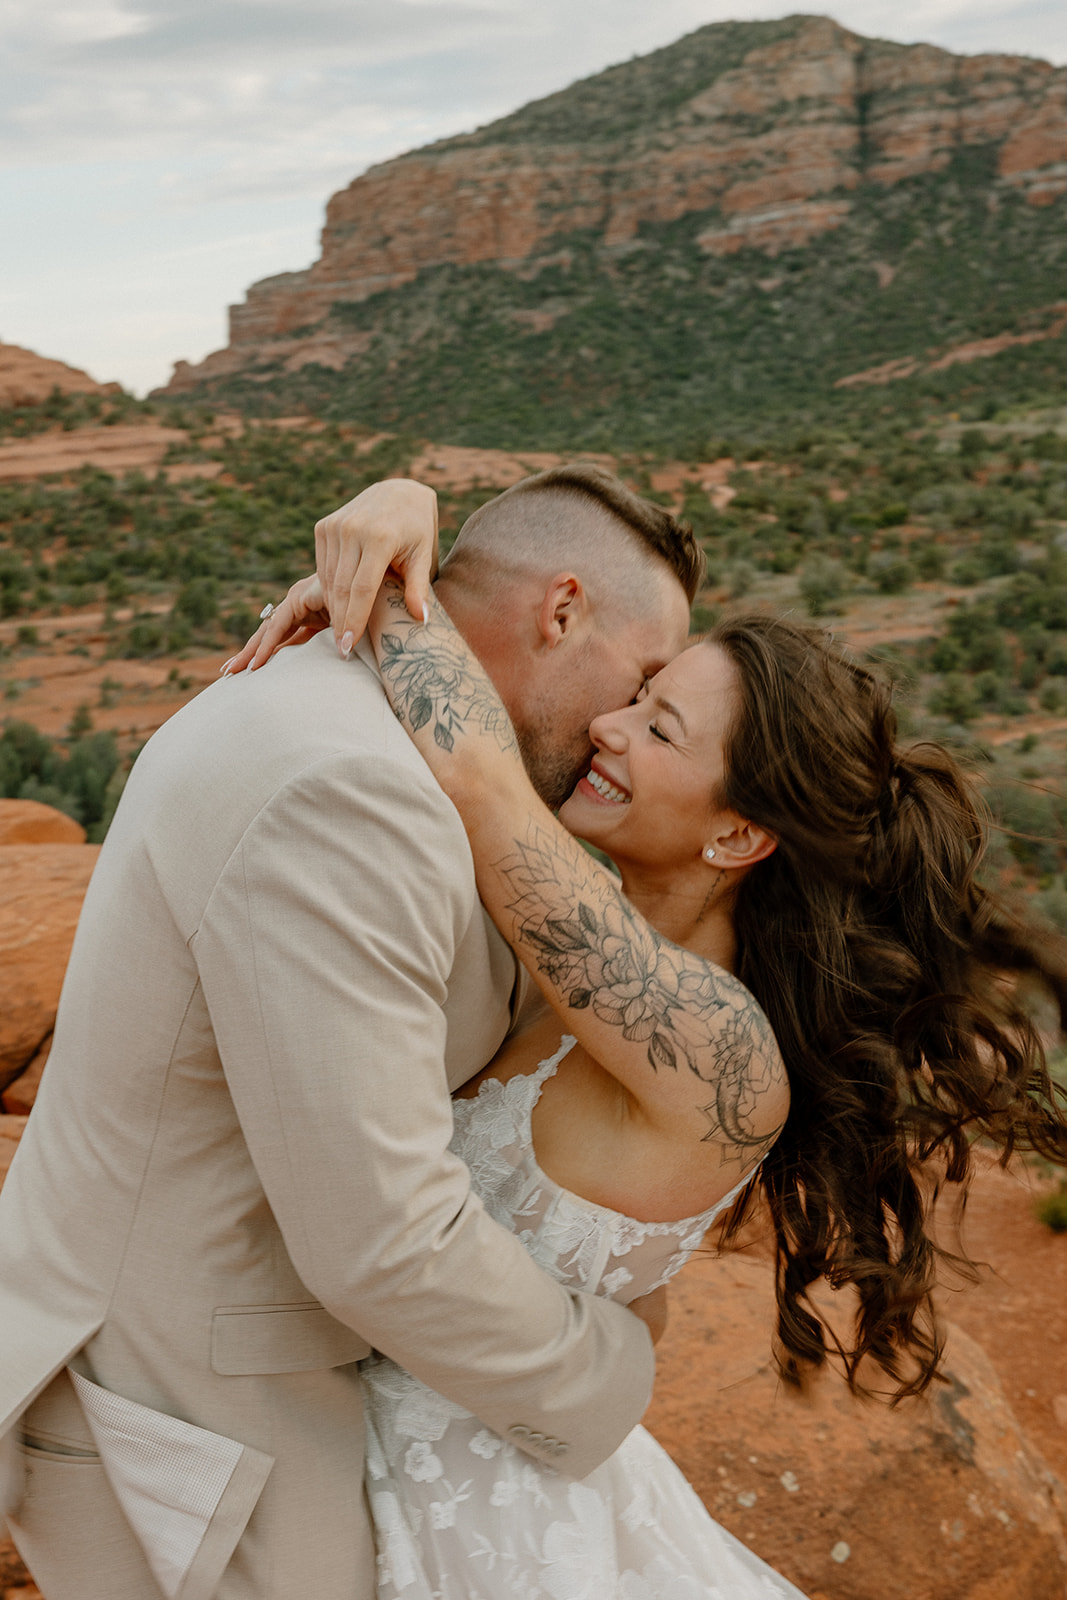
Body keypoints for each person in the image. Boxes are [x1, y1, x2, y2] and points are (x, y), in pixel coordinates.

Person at [239, 540, 1067, 1596]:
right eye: (636, 696)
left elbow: (484, 781)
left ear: (735, 834)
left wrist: (387, 562)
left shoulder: (713, 1042)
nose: (606, 727)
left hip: (484, 1523)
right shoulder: (586, 952)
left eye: (657, 728)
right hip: (372, 1446)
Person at [0, 467, 699, 1600]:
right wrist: (607, 1367)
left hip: (236, 1377)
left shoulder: (369, 703)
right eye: (644, 676)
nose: (623, 723)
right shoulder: (343, 785)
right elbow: (379, 1235)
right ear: (559, 610)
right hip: (180, 1412)